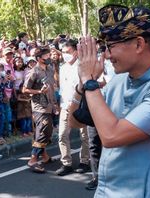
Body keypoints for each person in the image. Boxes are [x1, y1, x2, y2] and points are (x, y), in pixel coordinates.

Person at [69, 5, 150, 197]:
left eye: (110, 46)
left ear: (139, 44)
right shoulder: (118, 82)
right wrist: (82, 86)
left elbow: (112, 137)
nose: (107, 55)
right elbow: (75, 121)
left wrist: (89, 82)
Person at [56, 39, 90, 176]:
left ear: (75, 52)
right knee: (62, 135)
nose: (65, 55)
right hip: (65, 106)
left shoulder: (83, 66)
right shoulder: (63, 68)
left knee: (85, 136)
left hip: (81, 106)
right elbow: (62, 89)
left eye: (68, 52)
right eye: (63, 52)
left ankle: (85, 161)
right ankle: (66, 163)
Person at [23, 47, 56, 173]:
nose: (49, 58)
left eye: (49, 55)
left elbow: (52, 87)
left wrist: (55, 104)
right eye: (46, 56)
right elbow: (25, 89)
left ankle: (45, 156)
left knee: (45, 131)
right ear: (39, 59)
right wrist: (38, 91)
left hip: (49, 105)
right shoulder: (33, 72)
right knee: (43, 132)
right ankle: (32, 160)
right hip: (39, 107)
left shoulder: (50, 69)